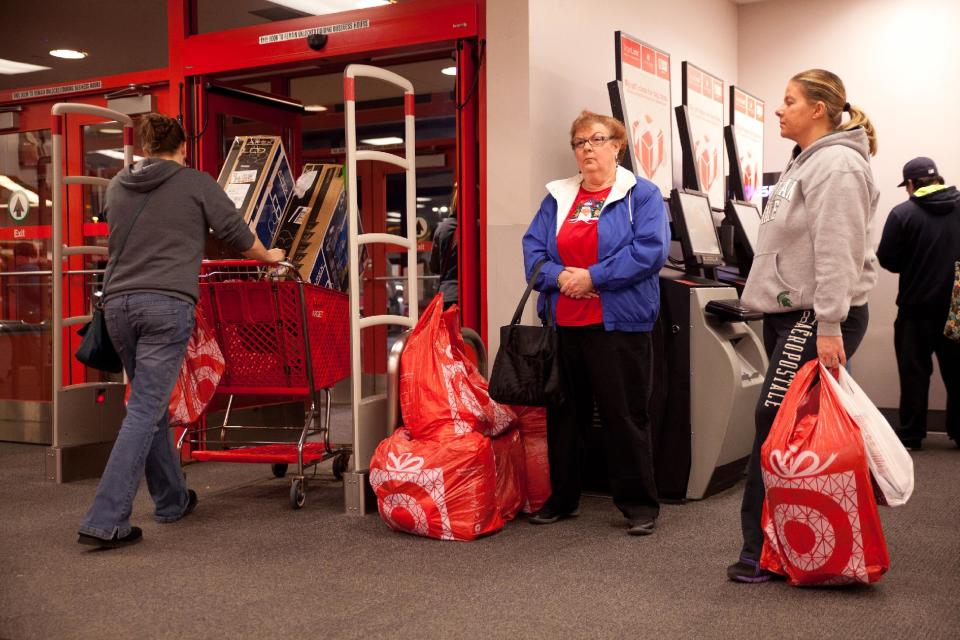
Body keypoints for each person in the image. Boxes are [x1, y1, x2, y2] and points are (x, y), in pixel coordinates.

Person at [78, 113, 285, 548]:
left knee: (148, 406)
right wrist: (268, 256)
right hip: (164, 305)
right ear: (182, 146)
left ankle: (172, 499)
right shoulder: (194, 182)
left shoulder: (117, 185)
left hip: (117, 306)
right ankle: (105, 518)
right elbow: (233, 231)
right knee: (144, 409)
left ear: (144, 148)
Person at [727, 69, 879, 582]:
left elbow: (838, 249)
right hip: (798, 314)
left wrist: (830, 324)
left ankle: (760, 552)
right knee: (795, 434)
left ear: (818, 109)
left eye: (788, 101)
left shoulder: (836, 164)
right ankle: (797, 545)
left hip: (817, 316)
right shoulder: (805, 162)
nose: (778, 109)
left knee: (775, 427)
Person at [521, 109, 670, 536]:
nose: (587, 148)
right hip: (563, 324)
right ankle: (564, 497)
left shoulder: (640, 194)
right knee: (563, 416)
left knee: (625, 415)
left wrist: (594, 277)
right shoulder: (557, 198)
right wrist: (561, 278)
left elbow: (649, 251)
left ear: (617, 145)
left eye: (597, 139)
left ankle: (640, 504)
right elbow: (533, 252)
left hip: (619, 325)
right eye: (579, 142)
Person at [877, 157, 960, 449]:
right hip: (957, 309)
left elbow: (887, 258)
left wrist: (913, 263)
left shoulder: (903, 213)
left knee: (913, 373)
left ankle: (912, 435)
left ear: (910, 184)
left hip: (916, 307)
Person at [429, 210, 458, 310]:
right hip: (474, 294)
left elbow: (434, 266)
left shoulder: (442, 228)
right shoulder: (479, 225)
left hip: (447, 295)